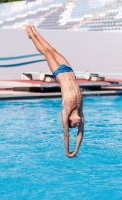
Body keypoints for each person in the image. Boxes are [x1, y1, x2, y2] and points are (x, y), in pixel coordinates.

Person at [25, 25, 84, 157]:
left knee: (46, 52)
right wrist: (76, 150)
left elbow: (66, 133)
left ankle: (32, 36)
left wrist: (68, 152)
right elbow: (81, 133)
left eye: (74, 125)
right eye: (77, 125)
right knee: (53, 49)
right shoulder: (80, 111)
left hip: (59, 73)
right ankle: (35, 32)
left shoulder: (65, 111)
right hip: (69, 70)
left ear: (70, 121)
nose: (78, 124)